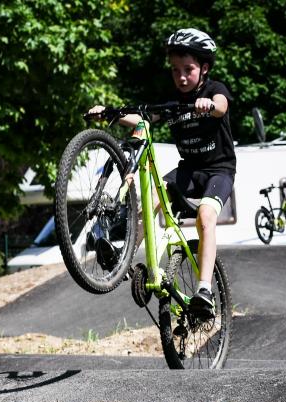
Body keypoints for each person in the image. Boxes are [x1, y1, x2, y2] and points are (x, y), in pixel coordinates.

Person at [88, 28, 234, 319]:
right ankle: (122, 257)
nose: (181, 77)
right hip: (188, 171)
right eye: (175, 70)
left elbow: (221, 107)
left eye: (188, 70)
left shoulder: (214, 90)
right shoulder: (173, 101)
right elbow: (143, 118)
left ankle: (204, 289)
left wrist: (209, 105)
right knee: (146, 202)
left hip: (218, 171)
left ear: (204, 68)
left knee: (206, 217)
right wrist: (111, 113)